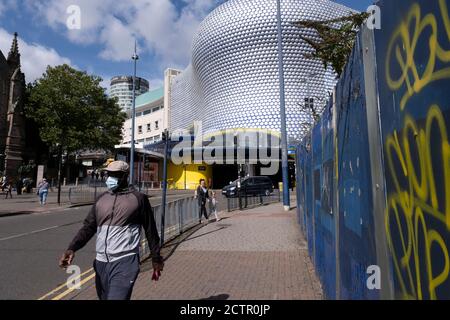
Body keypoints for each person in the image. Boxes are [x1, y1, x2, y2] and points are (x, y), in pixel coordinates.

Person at [58, 160, 164, 300]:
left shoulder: (139, 199)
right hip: (101, 262)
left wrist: (156, 258)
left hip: (125, 261)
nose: (110, 178)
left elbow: (151, 230)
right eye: (109, 174)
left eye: (115, 175)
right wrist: (72, 248)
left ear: (125, 176)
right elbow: (88, 227)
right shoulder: (102, 199)